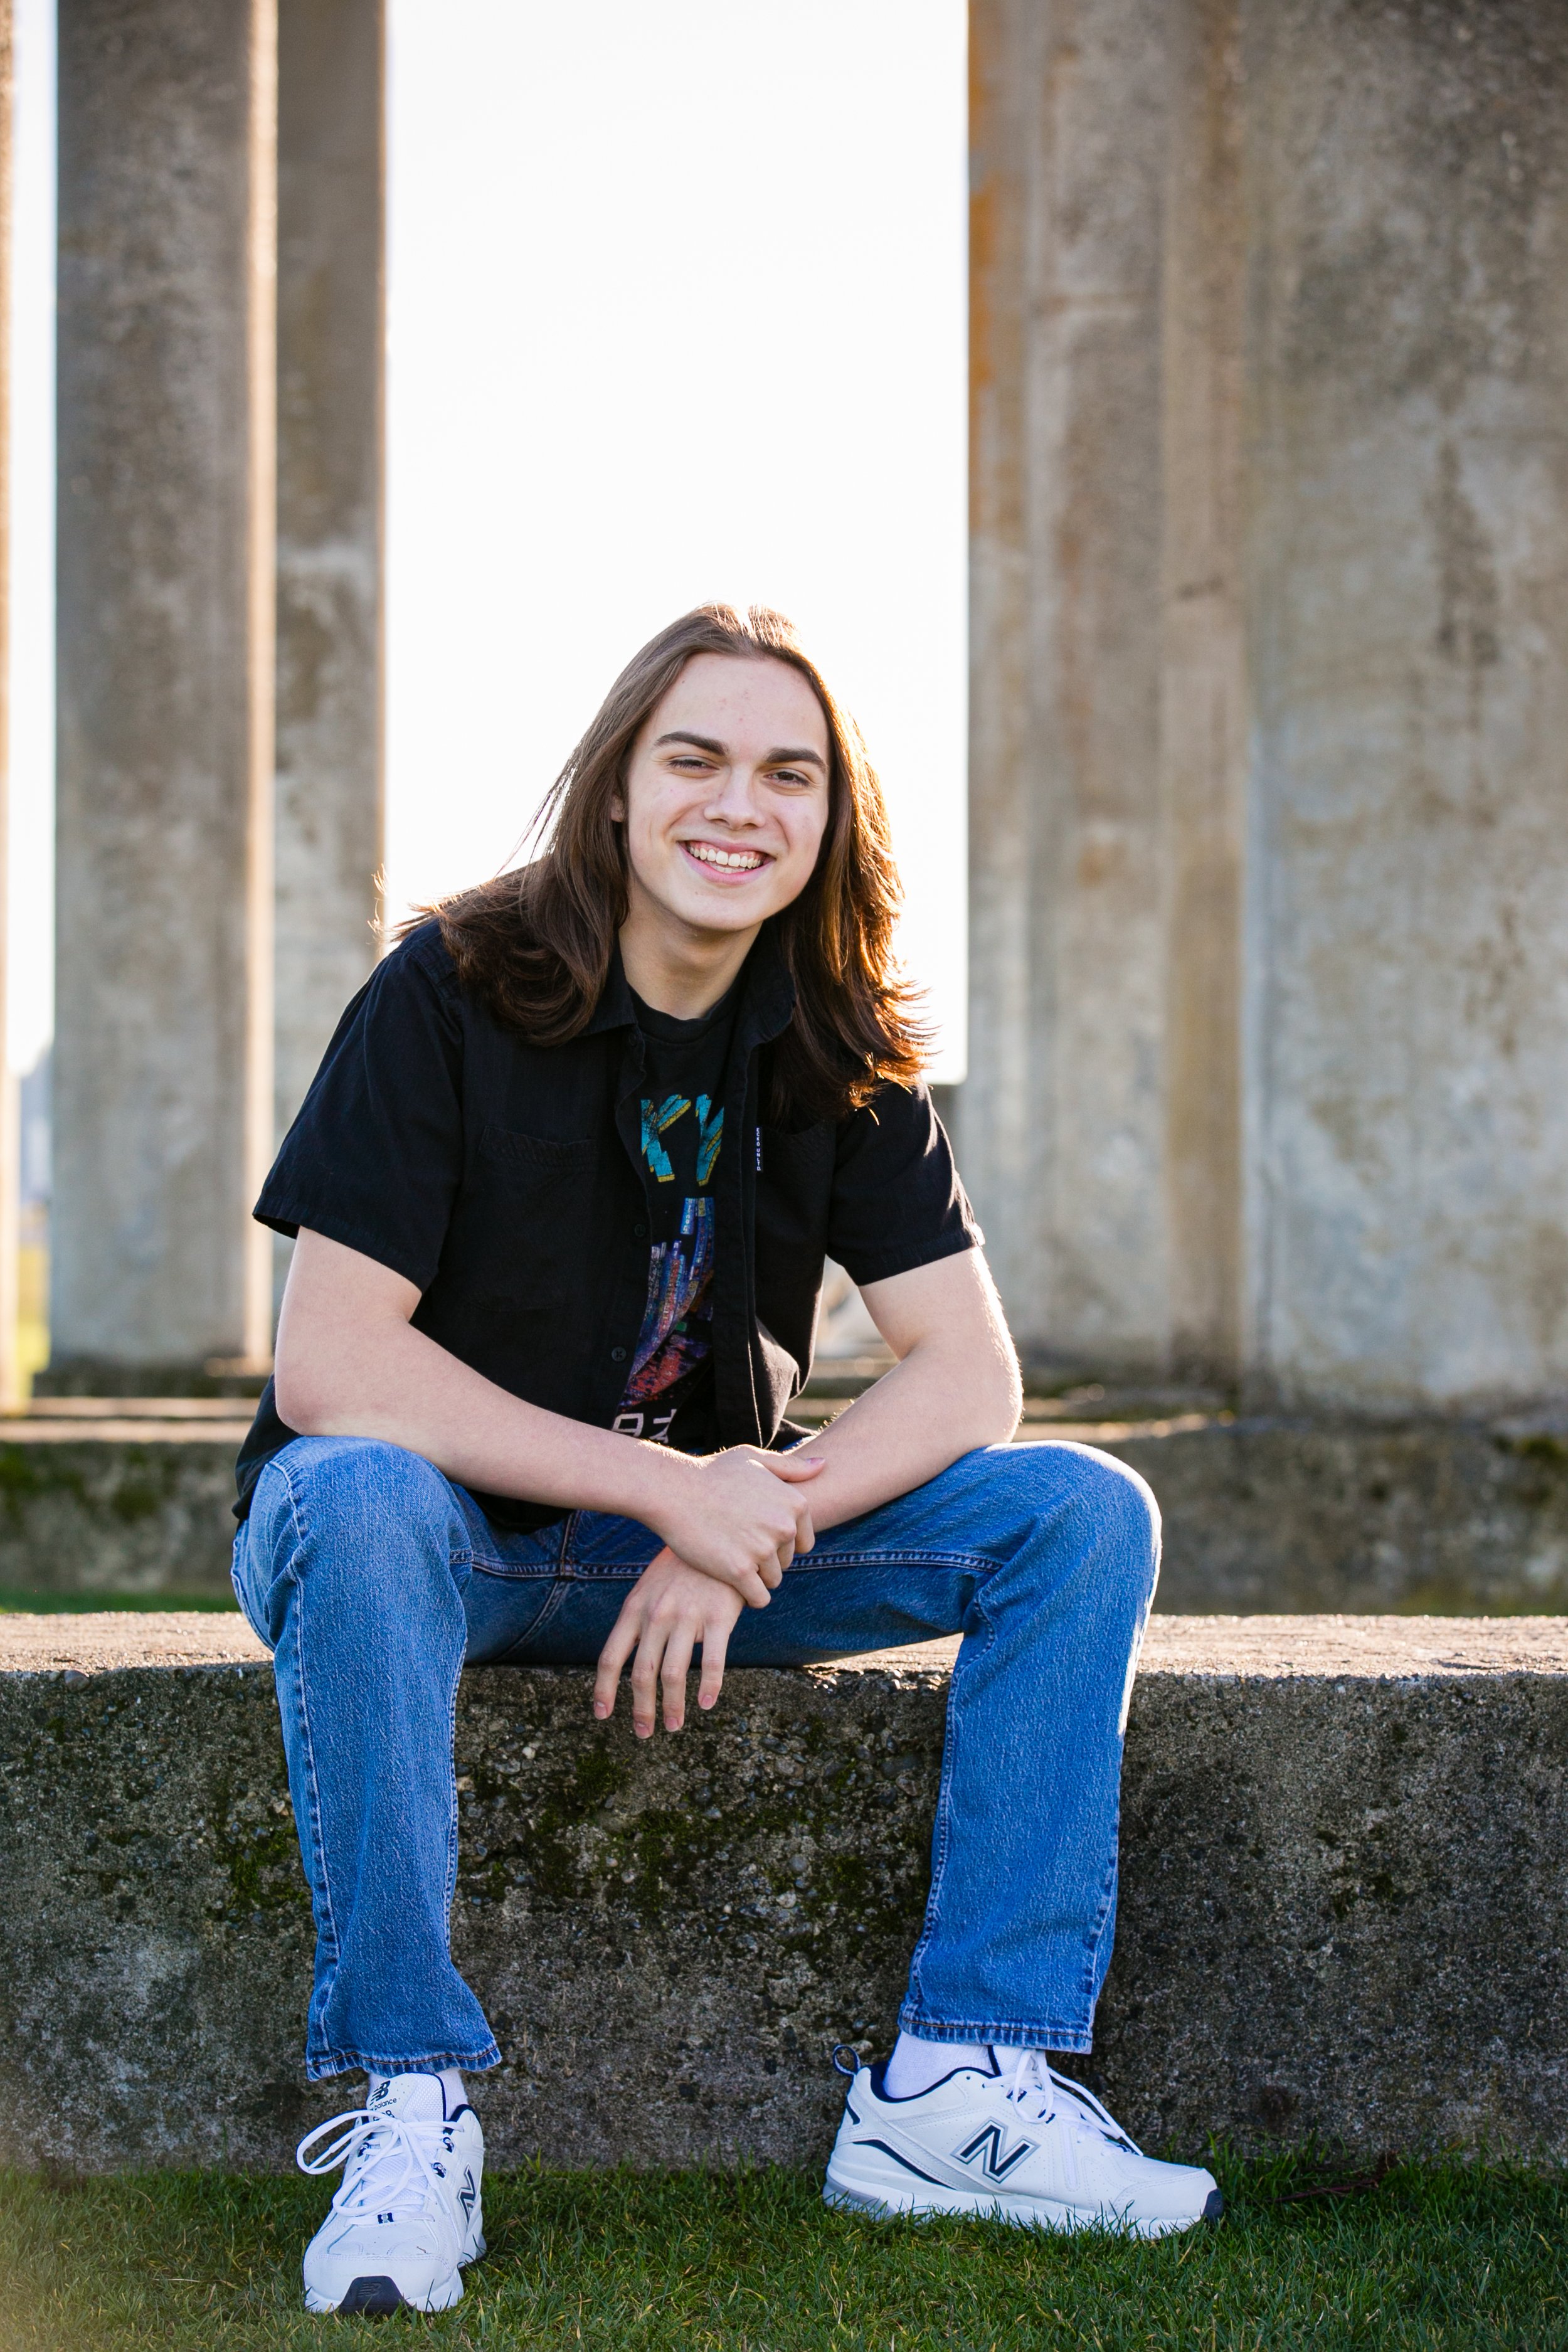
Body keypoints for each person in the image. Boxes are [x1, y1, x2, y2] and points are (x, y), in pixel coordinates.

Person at [231, 604, 1220, 2318]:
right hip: (428, 1544)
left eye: (788, 772)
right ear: (617, 788)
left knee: (1075, 1511)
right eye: (692, 757)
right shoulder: (451, 991)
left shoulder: (831, 1040)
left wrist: (748, 1508)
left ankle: (953, 2085)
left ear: (829, 819)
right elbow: (330, 1370)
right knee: (353, 1491)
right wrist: (661, 1488)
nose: (735, 804)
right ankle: (408, 2104)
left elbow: (967, 1375)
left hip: (687, 1551)